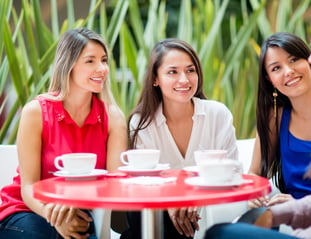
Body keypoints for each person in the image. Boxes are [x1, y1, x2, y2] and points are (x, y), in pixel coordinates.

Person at [204, 4, 311, 239]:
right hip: (309, 221)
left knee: (221, 234)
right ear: (269, 79)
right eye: (276, 68)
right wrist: (277, 213)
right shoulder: (280, 118)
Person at [0, 28, 128, 239]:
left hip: (79, 210)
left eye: (104, 60)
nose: (102, 68)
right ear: (69, 65)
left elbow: (114, 184)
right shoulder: (36, 112)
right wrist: (55, 214)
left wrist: (71, 206)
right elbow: (28, 187)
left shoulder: (113, 118)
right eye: (90, 61)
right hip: (28, 210)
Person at [121, 38, 238, 239]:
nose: (184, 79)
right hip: (160, 218)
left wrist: (190, 201)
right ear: (155, 79)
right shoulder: (142, 123)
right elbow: (143, 183)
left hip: (210, 216)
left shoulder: (218, 115)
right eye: (173, 72)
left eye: (190, 70)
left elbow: (233, 173)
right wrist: (171, 203)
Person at [241, 32, 311, 220]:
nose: (288, 71)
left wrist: (300, 206)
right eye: (276, 68)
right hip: (291, 220)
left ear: (310, 61)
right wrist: (253, 194)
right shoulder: (276, 117)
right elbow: (256, 172)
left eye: (294, 59)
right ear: (269, 79)